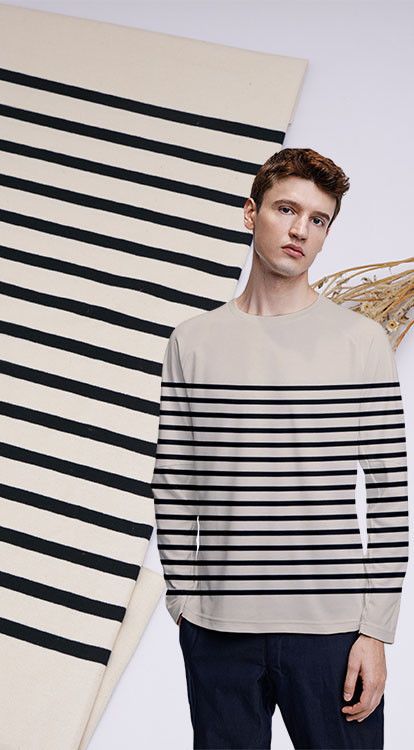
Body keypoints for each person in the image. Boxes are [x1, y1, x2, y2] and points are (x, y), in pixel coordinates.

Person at [152, 147, 407, 749]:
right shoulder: (193, 341)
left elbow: (390, 491)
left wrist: (375, 631)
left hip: (333, 633)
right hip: (218, 633)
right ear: (251, 213)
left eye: (318, 219)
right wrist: (184, 601)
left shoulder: (360, 341)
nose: (300, 230)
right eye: (286, 209)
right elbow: (175, 481)